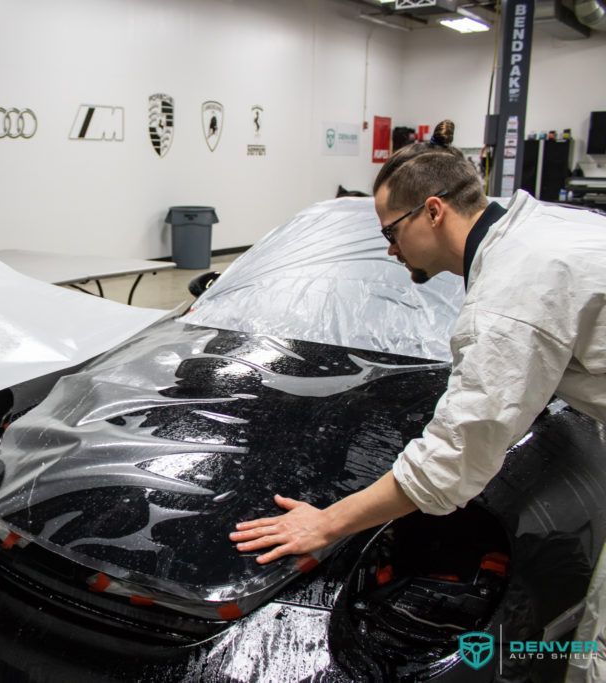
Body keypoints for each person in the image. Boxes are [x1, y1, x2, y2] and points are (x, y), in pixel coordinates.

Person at [229, 116, 605, 596]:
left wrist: (327, 523)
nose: (389, 251)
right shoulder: (536, 226)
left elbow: (453, 459)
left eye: (390, 233)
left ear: (433, 211)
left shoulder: (512, 297)